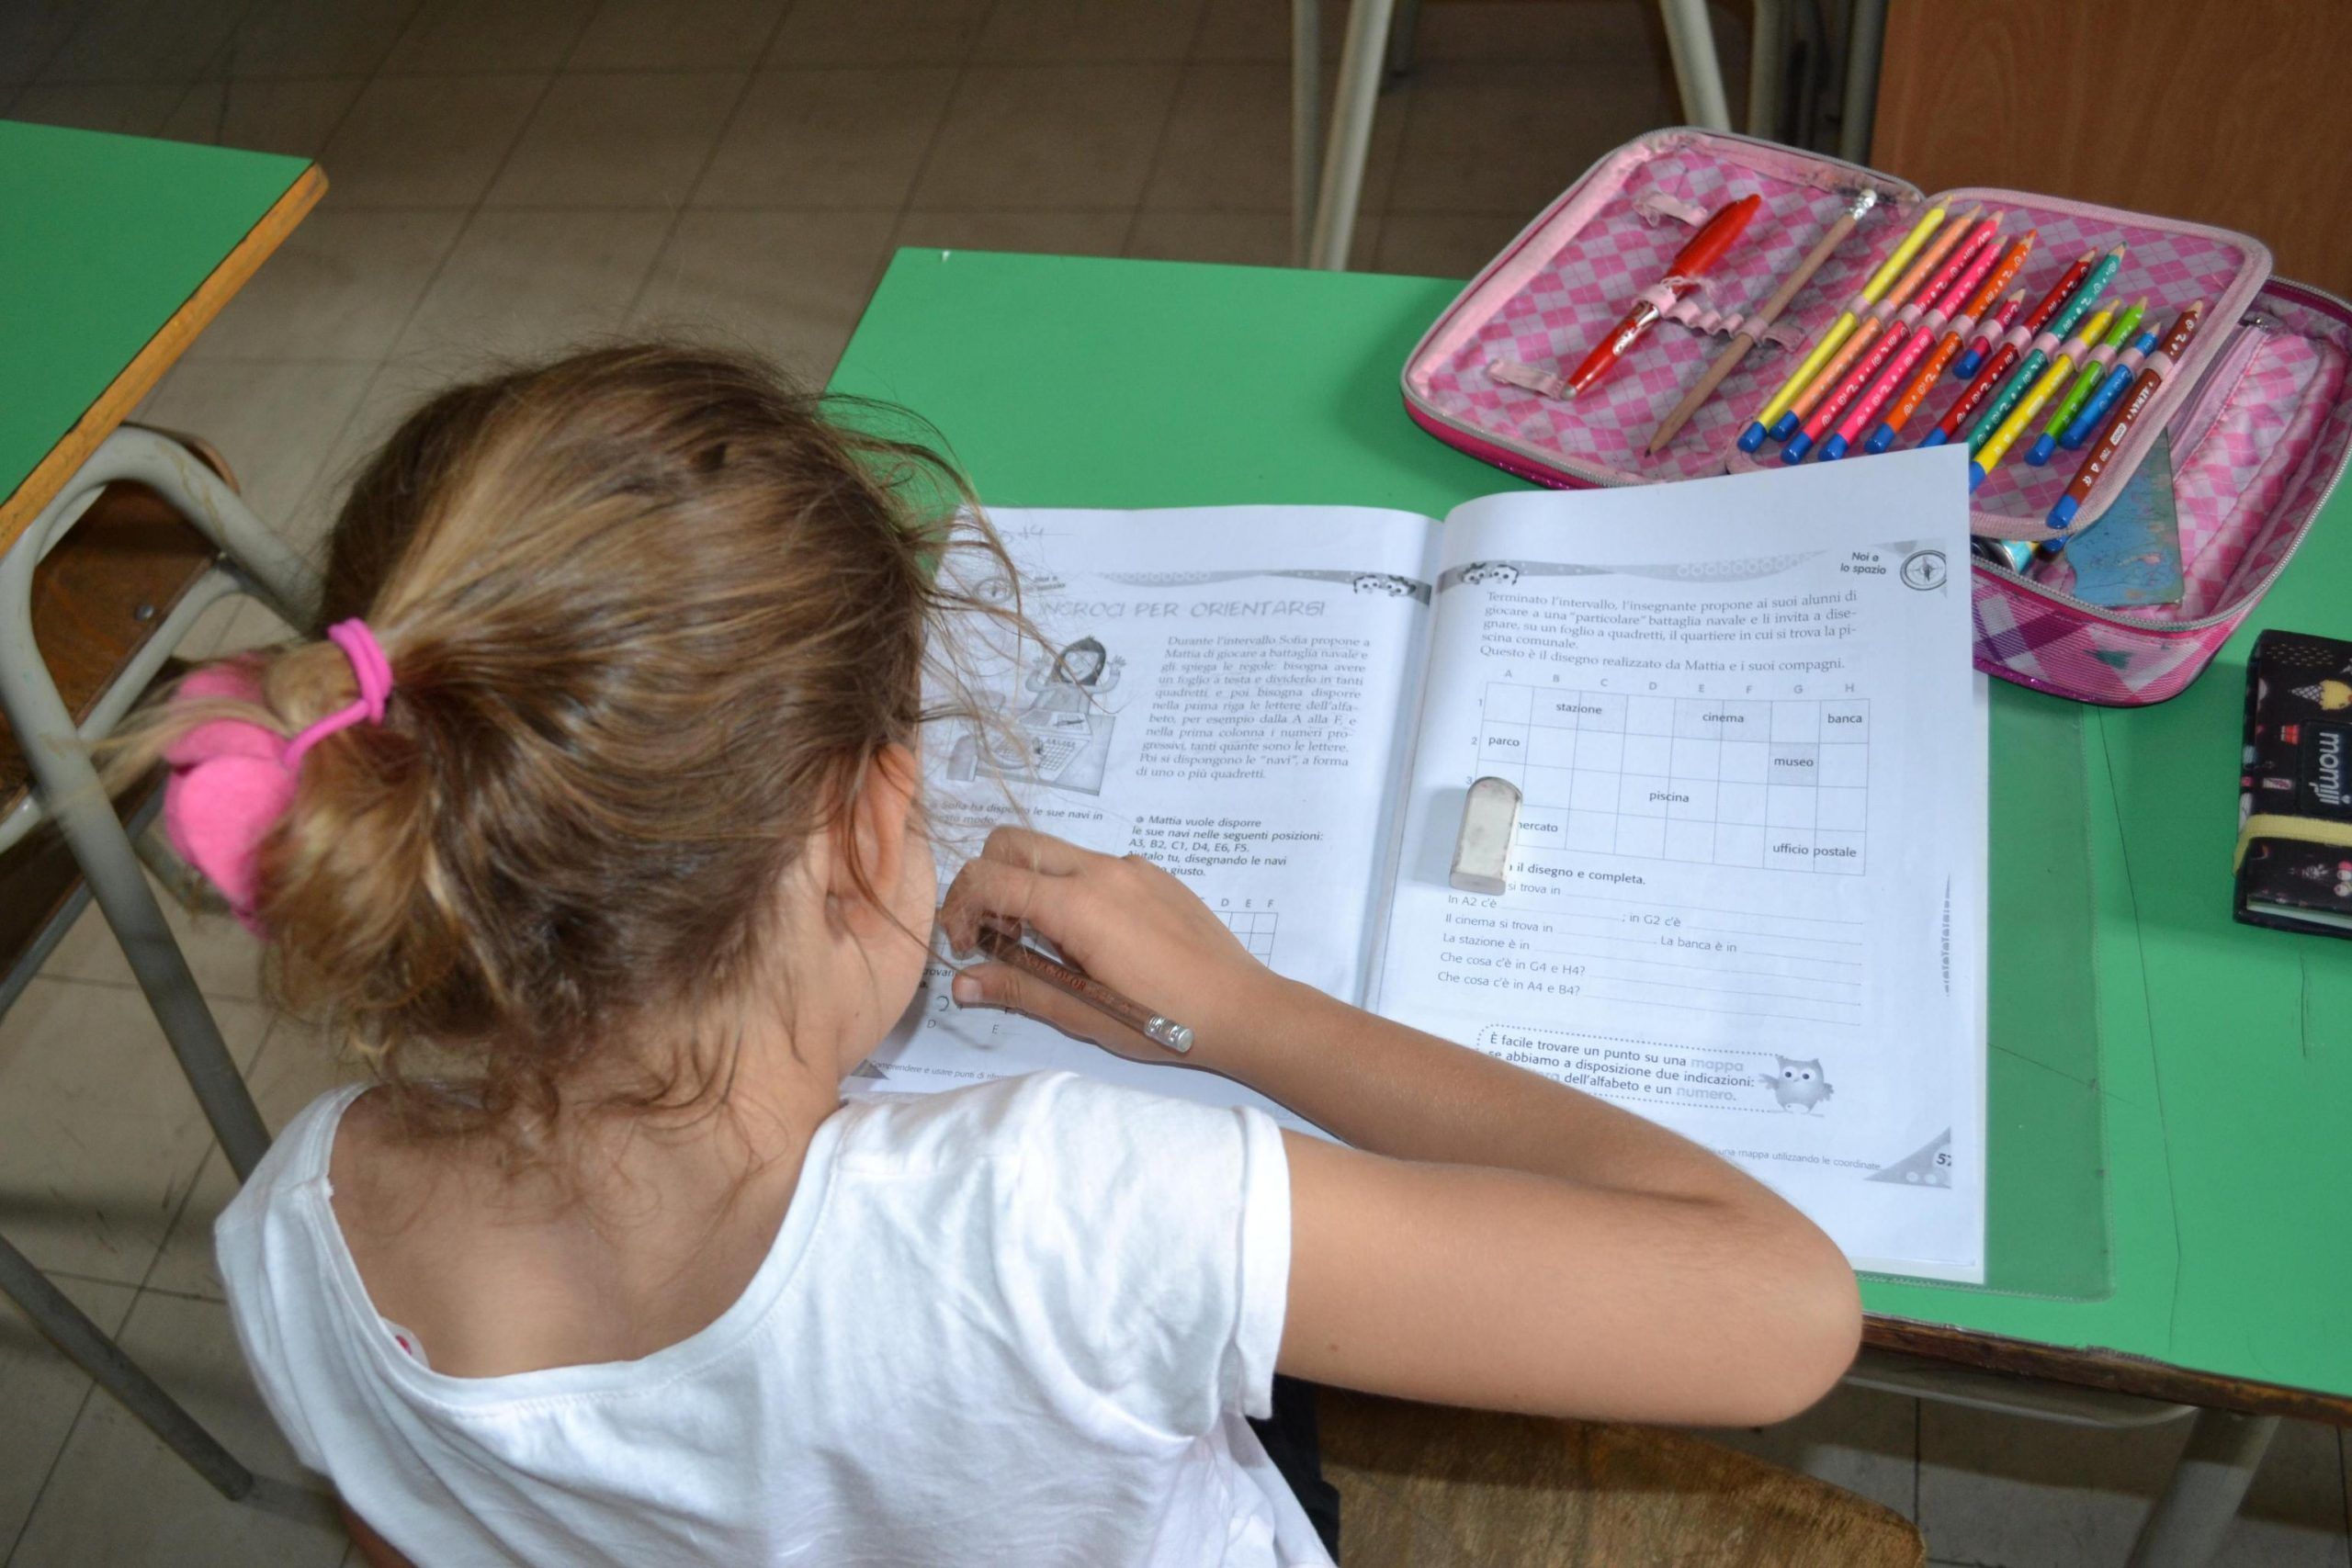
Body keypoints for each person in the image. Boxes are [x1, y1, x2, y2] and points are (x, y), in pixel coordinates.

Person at [127, 347, 1860, 1567]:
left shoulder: (293, 1237)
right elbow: (1783, 1311)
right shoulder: (1068, 1217)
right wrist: (1244, 1014)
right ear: (864, 827)